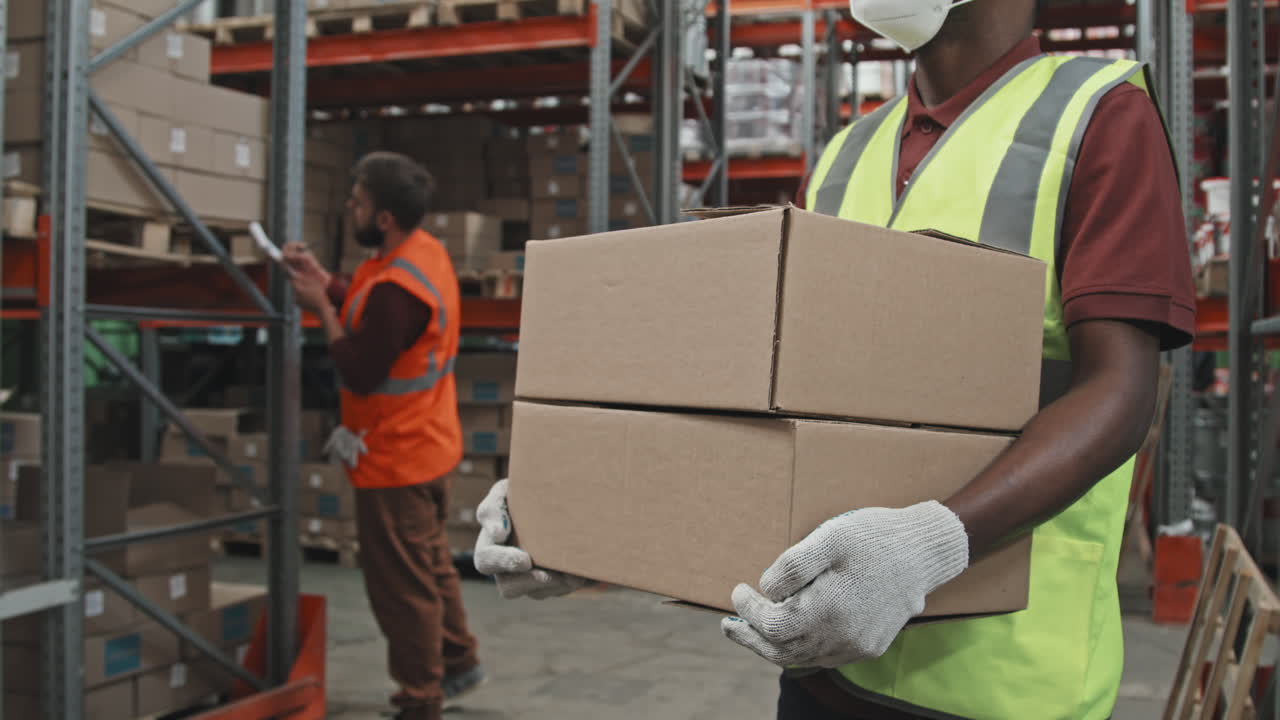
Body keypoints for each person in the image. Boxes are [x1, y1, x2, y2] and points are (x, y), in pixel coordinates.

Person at [474, 0, 1197, 717]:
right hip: (825, 663)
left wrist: (930, 545)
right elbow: (764, 400)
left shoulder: (1099, 113)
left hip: (1001, 681)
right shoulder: (847, 155)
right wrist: (584, 515)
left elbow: (1121, 392)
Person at [286, 152, 485, 720]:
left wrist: (320, 307)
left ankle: (421, 697)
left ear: (384, 218)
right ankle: (458, 659)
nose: (350, 205)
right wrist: (329, 283)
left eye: (358, 200)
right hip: (426, 443)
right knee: (429, 567)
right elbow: (372, 305)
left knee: (402, 587)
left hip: (396, 457)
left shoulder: (400, 285)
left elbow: (359, 366)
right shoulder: (416, 255)